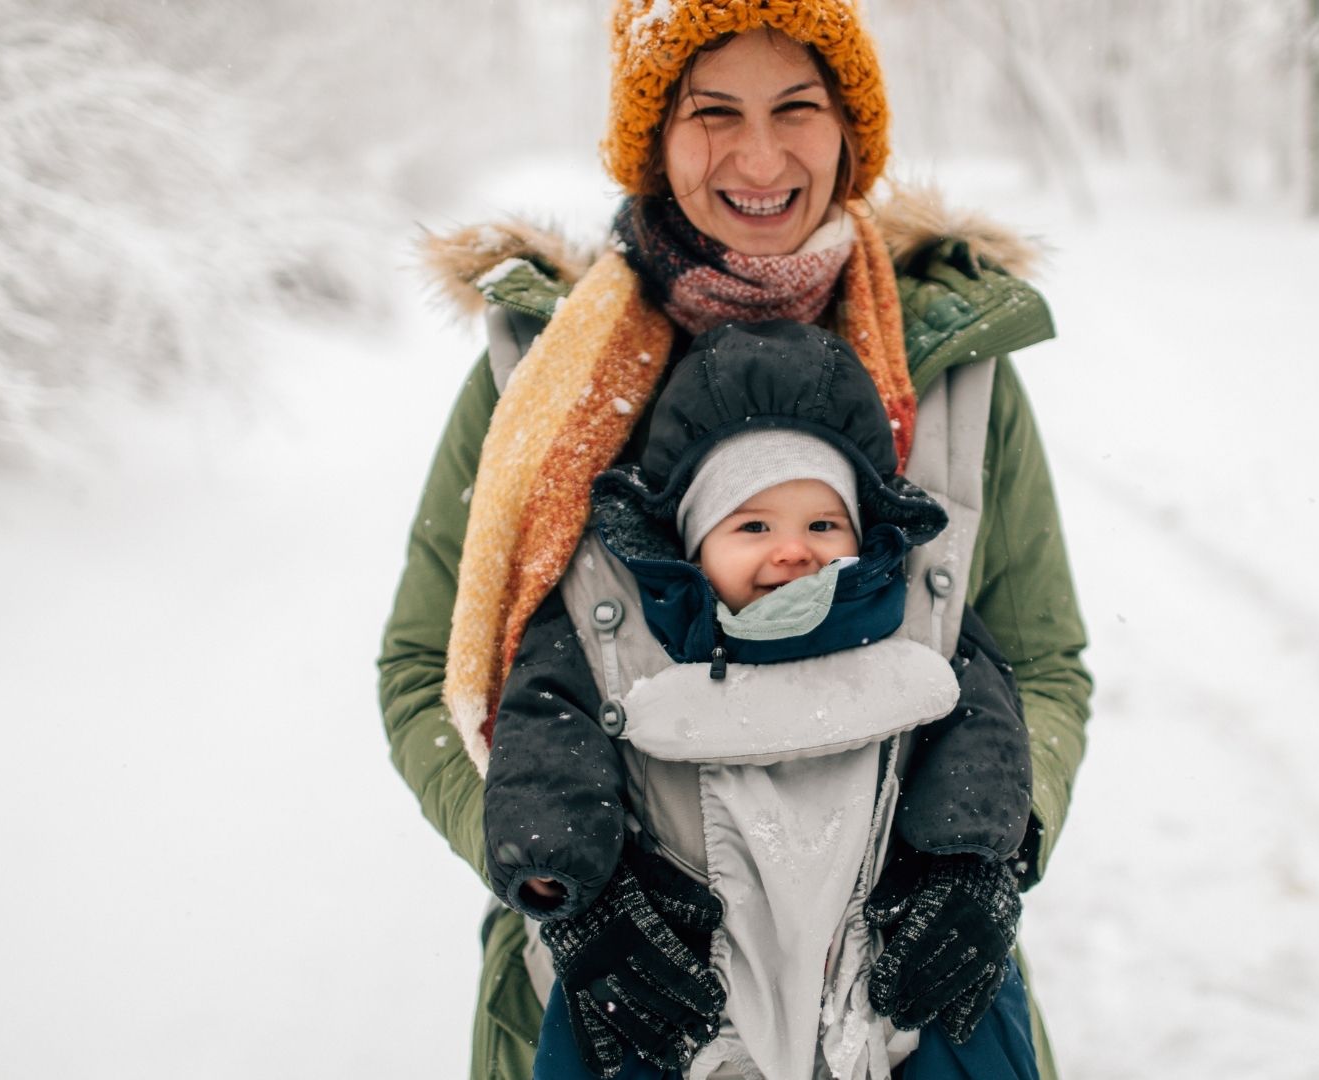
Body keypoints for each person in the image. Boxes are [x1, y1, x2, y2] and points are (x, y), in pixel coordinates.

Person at [376, 2, 1092, 1077]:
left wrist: (993, 853)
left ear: (849, 128)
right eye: (714, 113)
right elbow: (427, 675)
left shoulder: (959, 372)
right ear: (655, 139)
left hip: (901, 1024)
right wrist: (570, 889)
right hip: (621, 1023)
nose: (761, 156)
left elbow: (1039, 665)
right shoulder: (536, 383)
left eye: (796, 108)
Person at [482, 318, 1035, 1078]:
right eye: (752, 524)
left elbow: (985, 727)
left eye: (822, 523)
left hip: (877, 971)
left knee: (971, 1007)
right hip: (683, 976)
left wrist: (971, 858)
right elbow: (547, 731)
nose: (793, 549)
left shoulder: (907, 618)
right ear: (690, 542)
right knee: (605, 1029)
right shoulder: (622, 632)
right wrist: (559, 872)